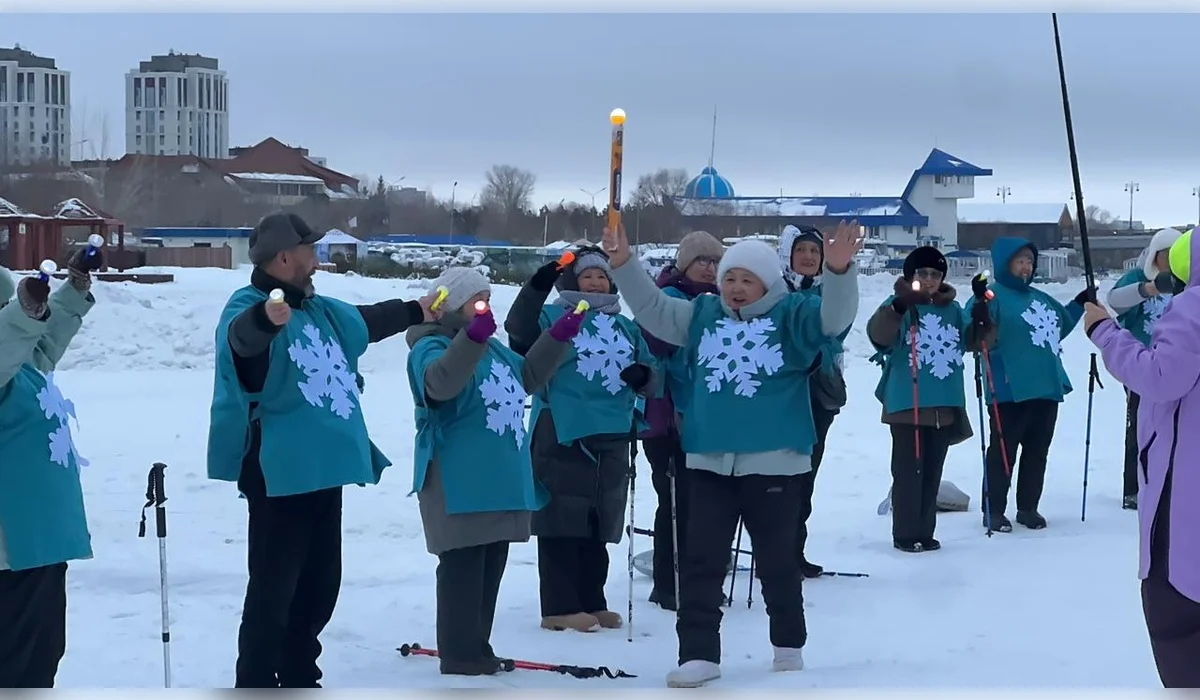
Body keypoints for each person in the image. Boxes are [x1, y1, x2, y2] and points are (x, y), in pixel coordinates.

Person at [603, 221, 861, 688]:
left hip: (776, 461)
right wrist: (622, 264)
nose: (736, 288)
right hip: (708, 460)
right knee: (701, 561)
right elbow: (653, 308)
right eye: (730, 278)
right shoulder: (701, 315)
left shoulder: (793, 315)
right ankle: (699, 654)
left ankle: (787, 644)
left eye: (747, 279)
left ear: (767, 283)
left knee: (777, 560)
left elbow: (835, 319)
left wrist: (840, 270)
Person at [206, 212, 439, 688]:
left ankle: (299, 675)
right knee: (274, 589)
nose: (316, 260)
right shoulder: (249, 304)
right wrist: (263, 321)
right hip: (279, 471)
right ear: (284, 257)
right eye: (309, 251)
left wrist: (417, 309)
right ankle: (254, 681)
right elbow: (240, 344)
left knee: (318, 586)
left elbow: (366, 321)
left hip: (323, 469)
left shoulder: (320, 310)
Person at [409, 266, 585, 674]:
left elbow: (525, 376)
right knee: (463, 566)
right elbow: (440, 385)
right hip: (460, 477)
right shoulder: (429, 346)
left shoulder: (492, 349)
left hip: (501, 475)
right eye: (475, 298)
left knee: (489, 565)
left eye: (486, 295)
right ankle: (458, 653)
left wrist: (558, 336)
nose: (484, 304)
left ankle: (476, 646)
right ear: (449, 305)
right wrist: (470, 340)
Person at [505, 246, 656, 632]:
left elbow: (654, 370)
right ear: (573, 281)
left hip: (614, 432)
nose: (595, 281)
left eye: (602, 276)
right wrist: (538, 285)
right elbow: (519, 330)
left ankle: (593, 599)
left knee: (598, 522)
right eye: (587, 276)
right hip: (562, 429)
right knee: (561, 520)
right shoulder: (552, 315)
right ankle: (559, 605)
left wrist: (644, 376)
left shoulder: (626, 325)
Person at [1083, 228, 1200, 688]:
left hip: (1185, 499)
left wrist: (1103, 332)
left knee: (1179, 627)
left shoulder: (1192, 308)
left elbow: (1162, 378)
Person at [0, 249, 102, 688]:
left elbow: (45, 338)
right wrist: (23, 310)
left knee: (39, 658)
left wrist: (74, 287)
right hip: (13, 550)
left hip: (37, 543)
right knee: (19, 668)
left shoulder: (24, 366)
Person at [866, 247, 987, 552]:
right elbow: (880, 336)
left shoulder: (954, 309)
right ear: (911, 276)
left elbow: (974, 341)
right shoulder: (901, 304)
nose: (929, 279)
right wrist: (898, 308)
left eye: (935, 274)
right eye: (923, 273)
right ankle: (906, 533)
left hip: (944, 404)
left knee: (932, 472)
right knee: (909, 472)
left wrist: (982, 319)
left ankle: (925, 531)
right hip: (909, 402)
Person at [963, 237, 1088, 532]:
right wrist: (980, 311)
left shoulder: (1040, 298)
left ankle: (1028, 507)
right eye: (1020, 260)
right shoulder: (991, 296)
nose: (1026, 266)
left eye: (1030, 261)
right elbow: (972, 335)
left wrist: (1080, 304)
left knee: (1037, 451)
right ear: (1005, 264)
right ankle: (994, 509)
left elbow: (1060, 324)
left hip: (1046, 386)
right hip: (1009, 387)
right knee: (1004, 452)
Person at [638, 230, 723, 610]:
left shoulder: (724, 302)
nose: (710, 268)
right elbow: (654, 343)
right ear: (685, 263)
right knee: (675, 502)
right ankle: (669, 581)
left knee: (706, 505)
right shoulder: (666, 299)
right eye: (703, 261)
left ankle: (698, 578)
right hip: (669, 419)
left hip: (709, 419)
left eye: (717, 261)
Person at [777, 224, 850, 577]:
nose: (808, 257)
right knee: (777, 478)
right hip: (780, 396)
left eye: (814, 252)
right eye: (801, 250)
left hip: (819, 393)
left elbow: (840, 326)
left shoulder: (828, 293)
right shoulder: (773, 292)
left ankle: (794, 550)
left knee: (806, 475)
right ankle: (773, 550)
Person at [1105, 227, 1182, 511]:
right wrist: (1148, 288)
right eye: (1166, 255)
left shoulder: (1186, 283)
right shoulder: (1138, 278)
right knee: (1141, 425)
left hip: (1178, 365)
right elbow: (1115, 301)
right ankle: (1133, 488)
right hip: (1142, 364)